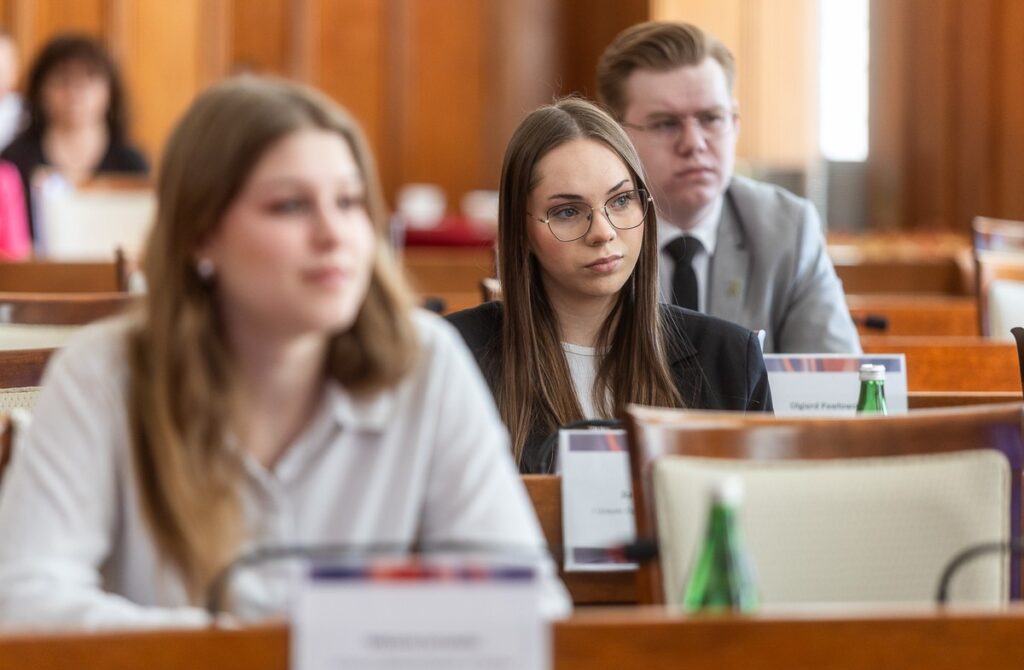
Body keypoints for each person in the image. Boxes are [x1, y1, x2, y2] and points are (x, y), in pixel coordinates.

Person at [0, 76, 565, 629]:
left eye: (349, 202)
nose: (334, 234)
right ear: (201, 233)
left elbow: (529, 608)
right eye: (291, 206)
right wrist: (247, 655)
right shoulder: (105, 372)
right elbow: (23, 601)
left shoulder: (424, 362)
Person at [447, 98, 772, 473]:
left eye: (620, 201)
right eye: (567, 212)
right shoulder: (453, 357)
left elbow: (762, 524)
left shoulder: (730, 358)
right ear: (522, 231)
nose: (603, 232)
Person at [596, 21, 861, 354]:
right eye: (665, 123)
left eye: (711, 119)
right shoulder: (594, 229)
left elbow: (834, 389)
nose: (693, 144)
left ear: (735, 124)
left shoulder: (788, 228)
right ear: (615, 134)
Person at [0, 34, 148, 239]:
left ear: (110, 91)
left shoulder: (131, 163)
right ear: (40, 92)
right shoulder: (14, 160)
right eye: (62, 81)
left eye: (88, 81)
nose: (75, 94)